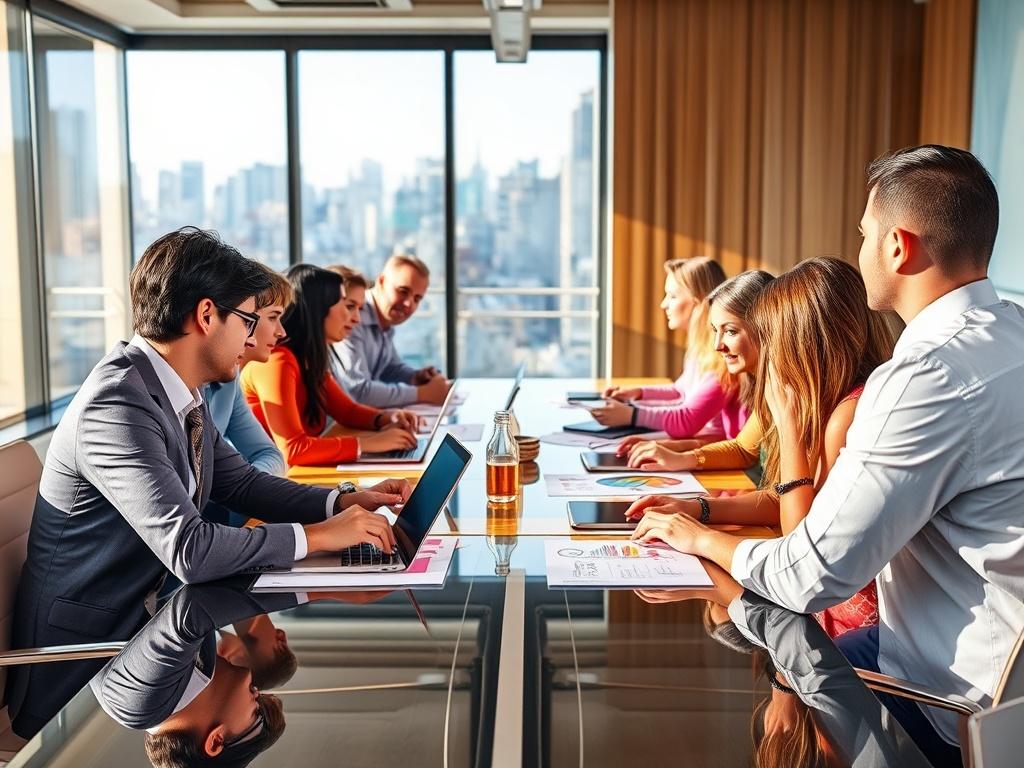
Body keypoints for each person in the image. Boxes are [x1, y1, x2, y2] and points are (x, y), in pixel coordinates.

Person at [627, 145, 1022, 766]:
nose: (860, 252)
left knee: (784, 656)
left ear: (898, 247)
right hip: (1003, 685)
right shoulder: (1013, 334)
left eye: (864, 234)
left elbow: (809, 576)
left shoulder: (924, 379)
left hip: (949, 702)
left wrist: (701, 542)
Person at [7, 228, 409, 738]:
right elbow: (190, 551)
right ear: (205, 316)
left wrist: (344, 501)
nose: (252, 339)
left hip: (151, 625)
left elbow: (242, 484)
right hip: (84, 663)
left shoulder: (176, 391)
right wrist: (318, 540)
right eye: (248, 321)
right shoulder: (117, 404)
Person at [631, 257, 895, 638]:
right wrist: (697, 509)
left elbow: (801, 543)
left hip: (837, 620)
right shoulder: (829, 401)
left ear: (808, 341)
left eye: (774, 337)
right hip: (819, 592)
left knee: (708, 573)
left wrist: (788, 427)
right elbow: (782, 496)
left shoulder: (844, 415)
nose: (771, 350)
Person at [241, 264, 419, 466]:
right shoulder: (277, 360)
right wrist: (369, 443)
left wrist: (387, 418)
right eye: (346, 305)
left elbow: (346, 411)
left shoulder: (307, 358)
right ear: (319, 308)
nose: (356, 318)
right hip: (273, 476)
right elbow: (293, 450)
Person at [616, 270, 774, 474]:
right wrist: (676, 451)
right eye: (715, 330)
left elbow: (740, 450)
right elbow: (742, 448)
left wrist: (633, 414)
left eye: (730, 331)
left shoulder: (779, 387)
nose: (717, 346)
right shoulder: (757, 380)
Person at [592, 256, 741, 440]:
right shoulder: (699, 351)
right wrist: (638, 394)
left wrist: (632, 414)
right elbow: (680, 392)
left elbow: (687, 420)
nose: (664, 304)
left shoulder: (722, 358)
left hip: (708, 450)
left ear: (698, 303)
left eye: (672, 296)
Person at [202, 262, 291, 479]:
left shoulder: (229, 383)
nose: (281, 332)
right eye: (273, 317)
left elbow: (271, 455)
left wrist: (244, 485)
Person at [332, 253, 451, 407]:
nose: (409, 304)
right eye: (403, 291)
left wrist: (415, 377)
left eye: (417, 299)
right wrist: (422, 393)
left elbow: (388, 368)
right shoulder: (351, 319)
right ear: (381, 281)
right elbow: (358, 392)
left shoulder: (384, 319)